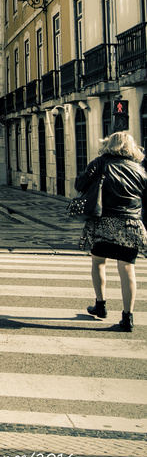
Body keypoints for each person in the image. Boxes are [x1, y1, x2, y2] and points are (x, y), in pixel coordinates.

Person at [77, 131, 147, 333]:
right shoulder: (139, 169)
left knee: (99, 262)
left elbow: (80, 184)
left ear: (108, 144)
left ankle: (100, 305)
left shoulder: (100, 163)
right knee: (128, 269)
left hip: (104, 222)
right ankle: (128, 317)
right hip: (131, 225)